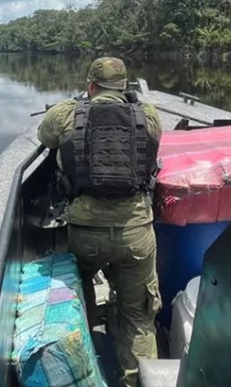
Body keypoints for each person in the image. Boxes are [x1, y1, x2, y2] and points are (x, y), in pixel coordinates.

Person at [36, 57, 163, 387]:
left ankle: (84, 370)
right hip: (135, 231)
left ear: (90, 85)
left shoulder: (65, 113)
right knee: (138, 316)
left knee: (79, 307)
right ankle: (137, 382)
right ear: (124, 86)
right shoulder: (147, 115)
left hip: (83, 231)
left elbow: (45, 137)